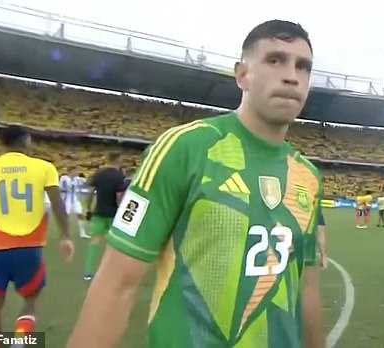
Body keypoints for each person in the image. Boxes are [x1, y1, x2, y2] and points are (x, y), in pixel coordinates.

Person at [68, 20, 324, 348]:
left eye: (303, 66)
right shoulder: (184, 148)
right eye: (275, 60)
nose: (292, 75)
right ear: (242, 74)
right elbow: (117, 285)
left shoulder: (307, 175)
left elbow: (307, 290)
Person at [0, 126, 74, 346]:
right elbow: (58, 203)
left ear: (3, 144)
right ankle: (21, 339)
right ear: (26, 141)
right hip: (30, 247)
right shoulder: (43, 167)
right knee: (30, 299)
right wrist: (65, 236)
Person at [83, 152, 126, 280]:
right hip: (113, 214)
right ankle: (113, 272)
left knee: (94, 242)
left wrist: (88, 208)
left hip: (99, 212)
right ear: (118, 159)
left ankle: (88, 272)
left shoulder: (98, 174)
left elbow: (90, 193)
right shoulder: (119, 176)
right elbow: (119, 196)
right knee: (115, 244)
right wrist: (120, 211)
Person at [60, 169, 90, 239]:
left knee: (80, 214)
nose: (76, 173)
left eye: (77, 172)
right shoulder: (64, 178)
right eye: (75, 171)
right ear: (70, 171)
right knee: (65, 217)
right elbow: (60, 188)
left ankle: (82, 233)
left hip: (75, 200)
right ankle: (64, 234)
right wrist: (67, 189)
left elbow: (86, 182)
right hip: (66, 200)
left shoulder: (77, 179)